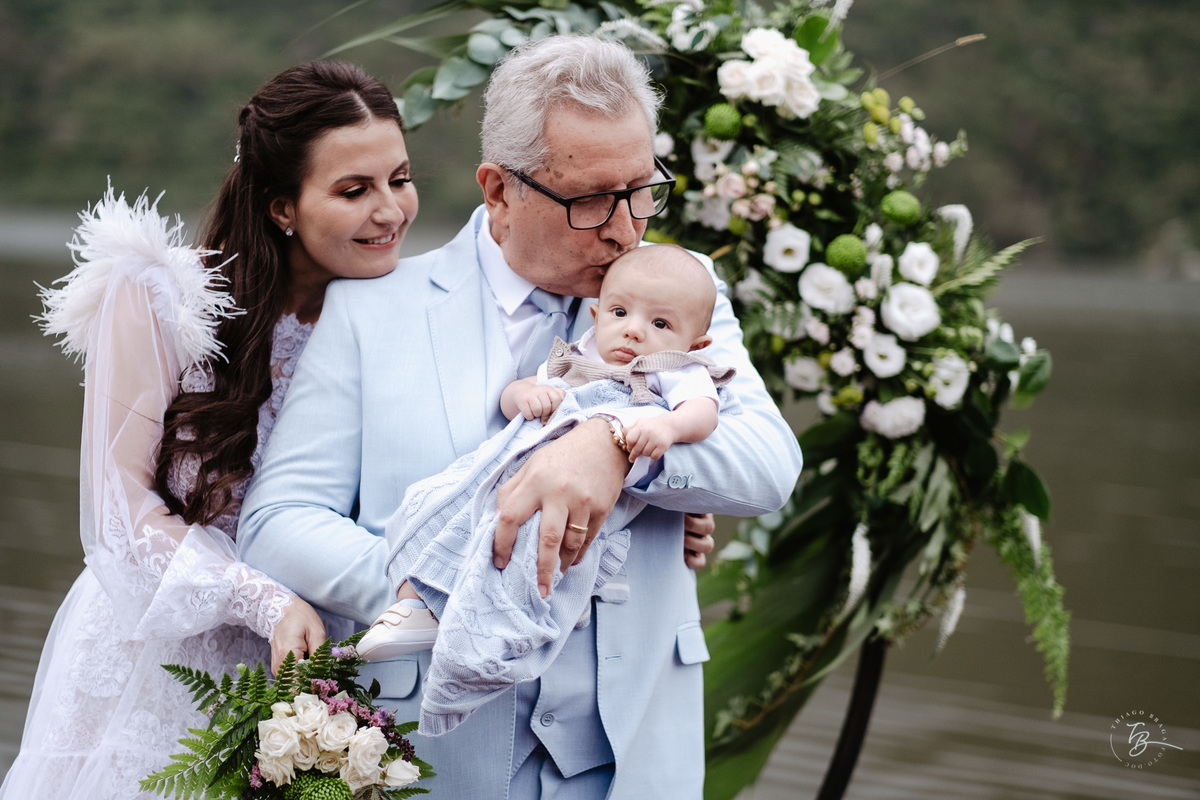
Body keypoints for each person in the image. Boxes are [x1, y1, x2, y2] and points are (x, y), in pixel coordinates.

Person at [239, 35, 803, 799]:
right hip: (431, 760)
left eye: (643, 189)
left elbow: (767, 463)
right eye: (593, 199)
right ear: (499, 190)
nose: (626, 228)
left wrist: (614, 448)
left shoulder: (682, 288)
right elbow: (276, 520)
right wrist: (444, 586)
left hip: (634, 758)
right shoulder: (371, 311)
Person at [0, 61, 418, 800]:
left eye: (400, 178)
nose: (390, 211)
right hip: (158, 654)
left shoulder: (405, 321)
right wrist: (260, 599)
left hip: (314, 672)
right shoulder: (161, 300)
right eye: (354, 190)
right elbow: (118, 508)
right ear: (281, 206)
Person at [356, 244, 739, 735]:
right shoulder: (578, 355)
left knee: (536, 546)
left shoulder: (672, 369)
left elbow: (703, 412)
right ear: (598, 314)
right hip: (512, 464)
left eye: (660, 325)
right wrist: (527, 395)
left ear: (696, 344)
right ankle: (414, 600)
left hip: (581, 496)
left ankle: (483, 649)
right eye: (621, 313)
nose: (635, 330)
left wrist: (667, 430)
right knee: (437, 503)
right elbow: (516, 392)